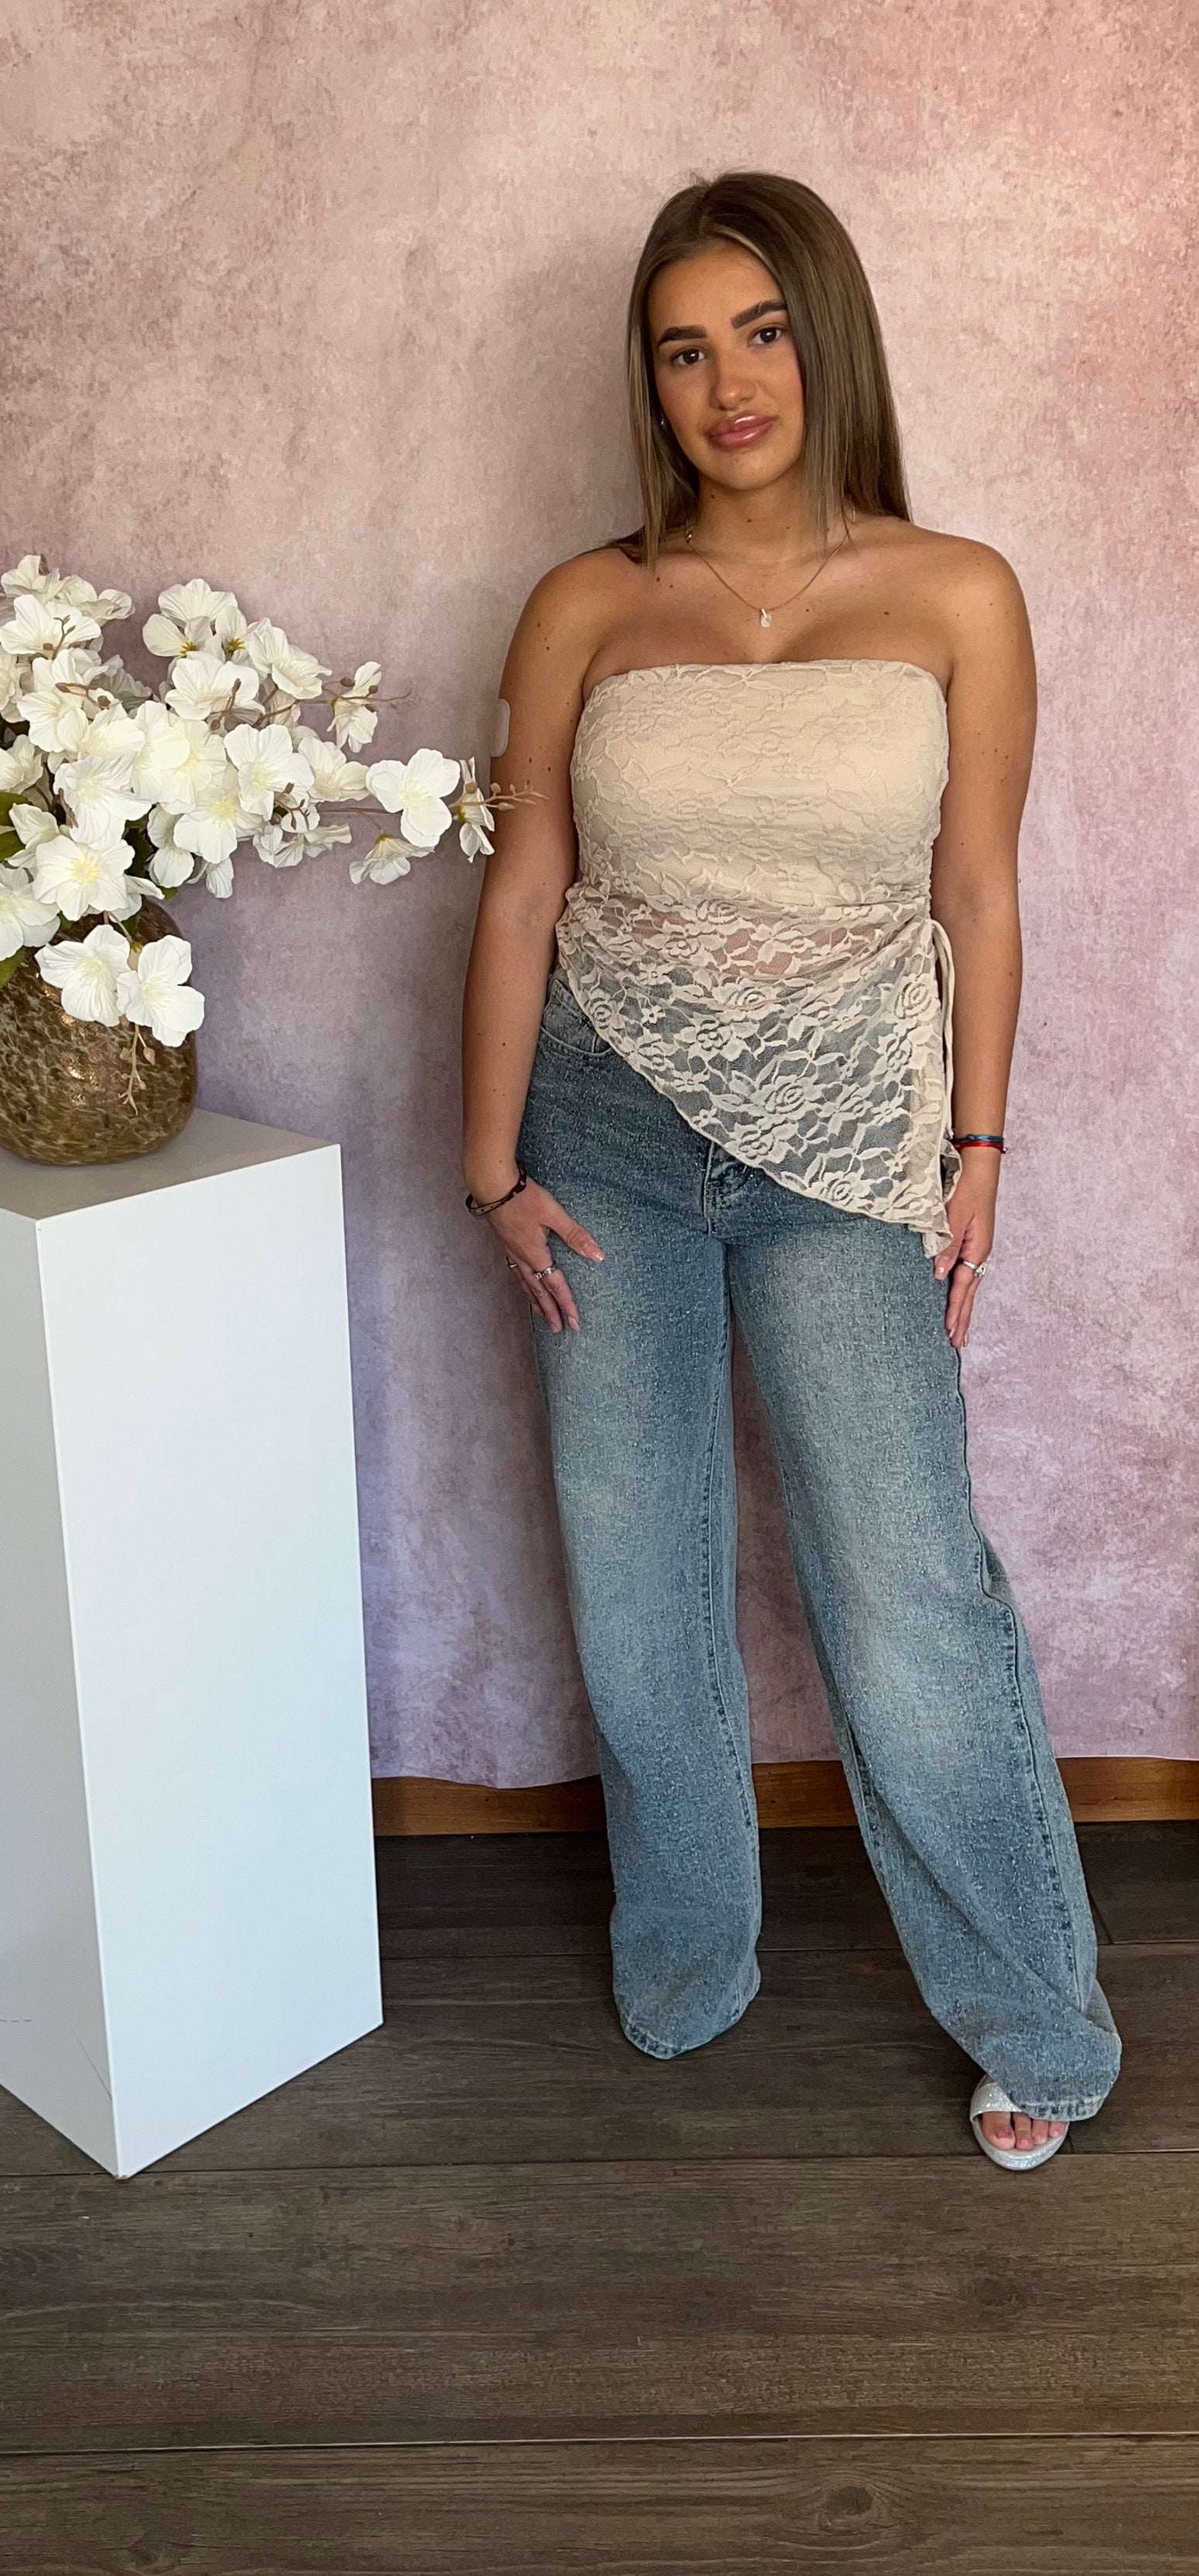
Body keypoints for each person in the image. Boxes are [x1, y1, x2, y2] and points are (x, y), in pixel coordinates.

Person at [460, 169, 1119, 2169]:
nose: (726, 382)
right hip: (601, 1124)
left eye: (758, 332)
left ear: (825, 340)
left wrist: (977, 1145)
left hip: (850, 1135)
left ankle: (1037, 2022)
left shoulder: (956, 590)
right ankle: (687, 1954)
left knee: (908, 1585)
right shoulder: (587, 603)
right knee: (632, 1573)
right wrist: (487, 1164)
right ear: (648, 382)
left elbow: (977, 893)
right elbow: (521, 893)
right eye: (683, 348)